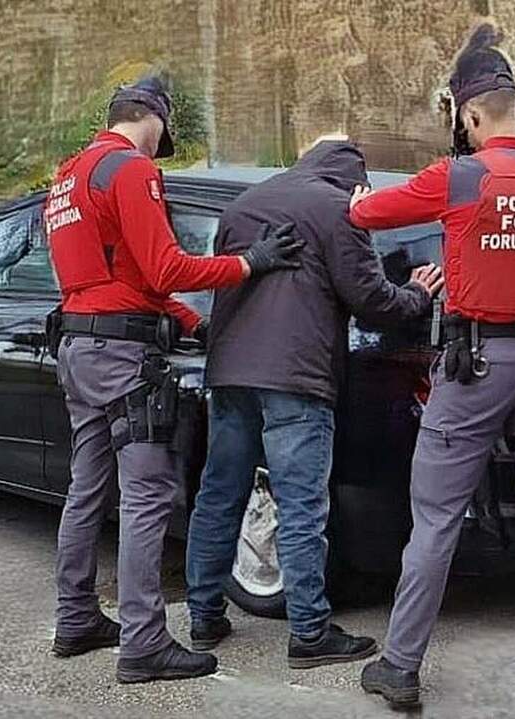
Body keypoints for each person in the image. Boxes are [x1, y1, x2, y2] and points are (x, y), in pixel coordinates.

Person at [348, 23, 515, 707]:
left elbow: (369, 213)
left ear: (470, 114)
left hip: (475, 366)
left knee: (435, 515)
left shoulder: (459, 176)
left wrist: (348, 196)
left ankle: (401, 667)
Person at [44, 75, 304, 684]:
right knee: (147, 494)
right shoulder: (132, 170)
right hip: (123, 360)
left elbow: (123, 278)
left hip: (79, 347)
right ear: (153, 119)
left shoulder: (68, 177)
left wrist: (192, 323)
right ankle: (143, 642)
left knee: (86, 489)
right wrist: (250, 263)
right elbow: (166, 266)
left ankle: (75, 616)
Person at [185, 136, 444, 669]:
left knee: (220, 495)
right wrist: (419, 293)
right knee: (301, 504)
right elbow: (371, 299)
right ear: (355, 180)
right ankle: (309, 631)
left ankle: (204, 615)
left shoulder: (243, 205)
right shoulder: (337, 208)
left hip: (230, 371)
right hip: (295, 378)